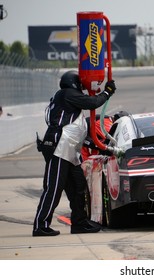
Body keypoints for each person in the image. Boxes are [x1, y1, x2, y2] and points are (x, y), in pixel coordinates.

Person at [33, 70, 116, 237]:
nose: (81, 88)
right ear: (74, 84)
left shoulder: (65, 99)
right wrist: (107, 92)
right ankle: (40, 226)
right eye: (80, 84)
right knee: (54, 188)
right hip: (59, 147)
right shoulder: (66, 94)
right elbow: (92, 102)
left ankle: (79, 223)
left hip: (69, 150)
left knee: (78, 187)